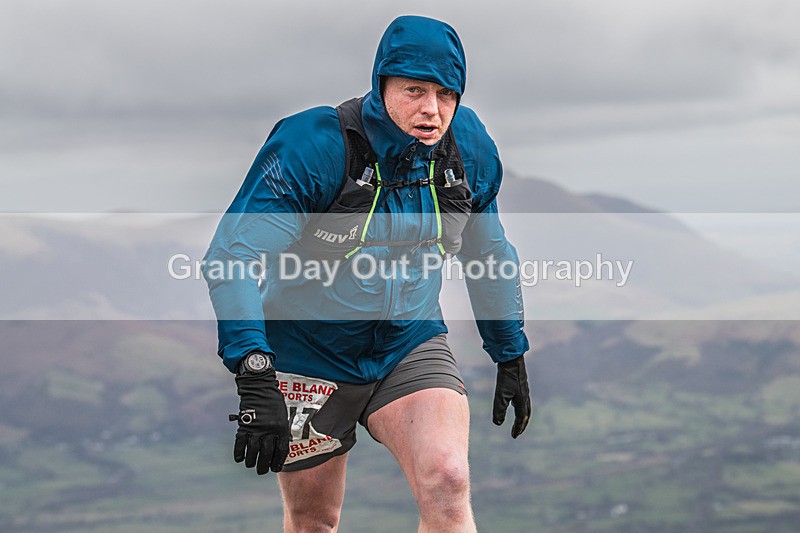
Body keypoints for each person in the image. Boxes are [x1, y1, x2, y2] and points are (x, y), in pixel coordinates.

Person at [203, 15, 531, 532]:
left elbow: (487, 251)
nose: (431, 109)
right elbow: (232, 257)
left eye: (446, 94)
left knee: (447, 482)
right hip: (309, 350)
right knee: (314, 520)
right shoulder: (314, 145)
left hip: (410, 339)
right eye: (414, 90)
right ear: (382, 86)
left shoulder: (469, 150)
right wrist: (254, 371)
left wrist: (509, 351)